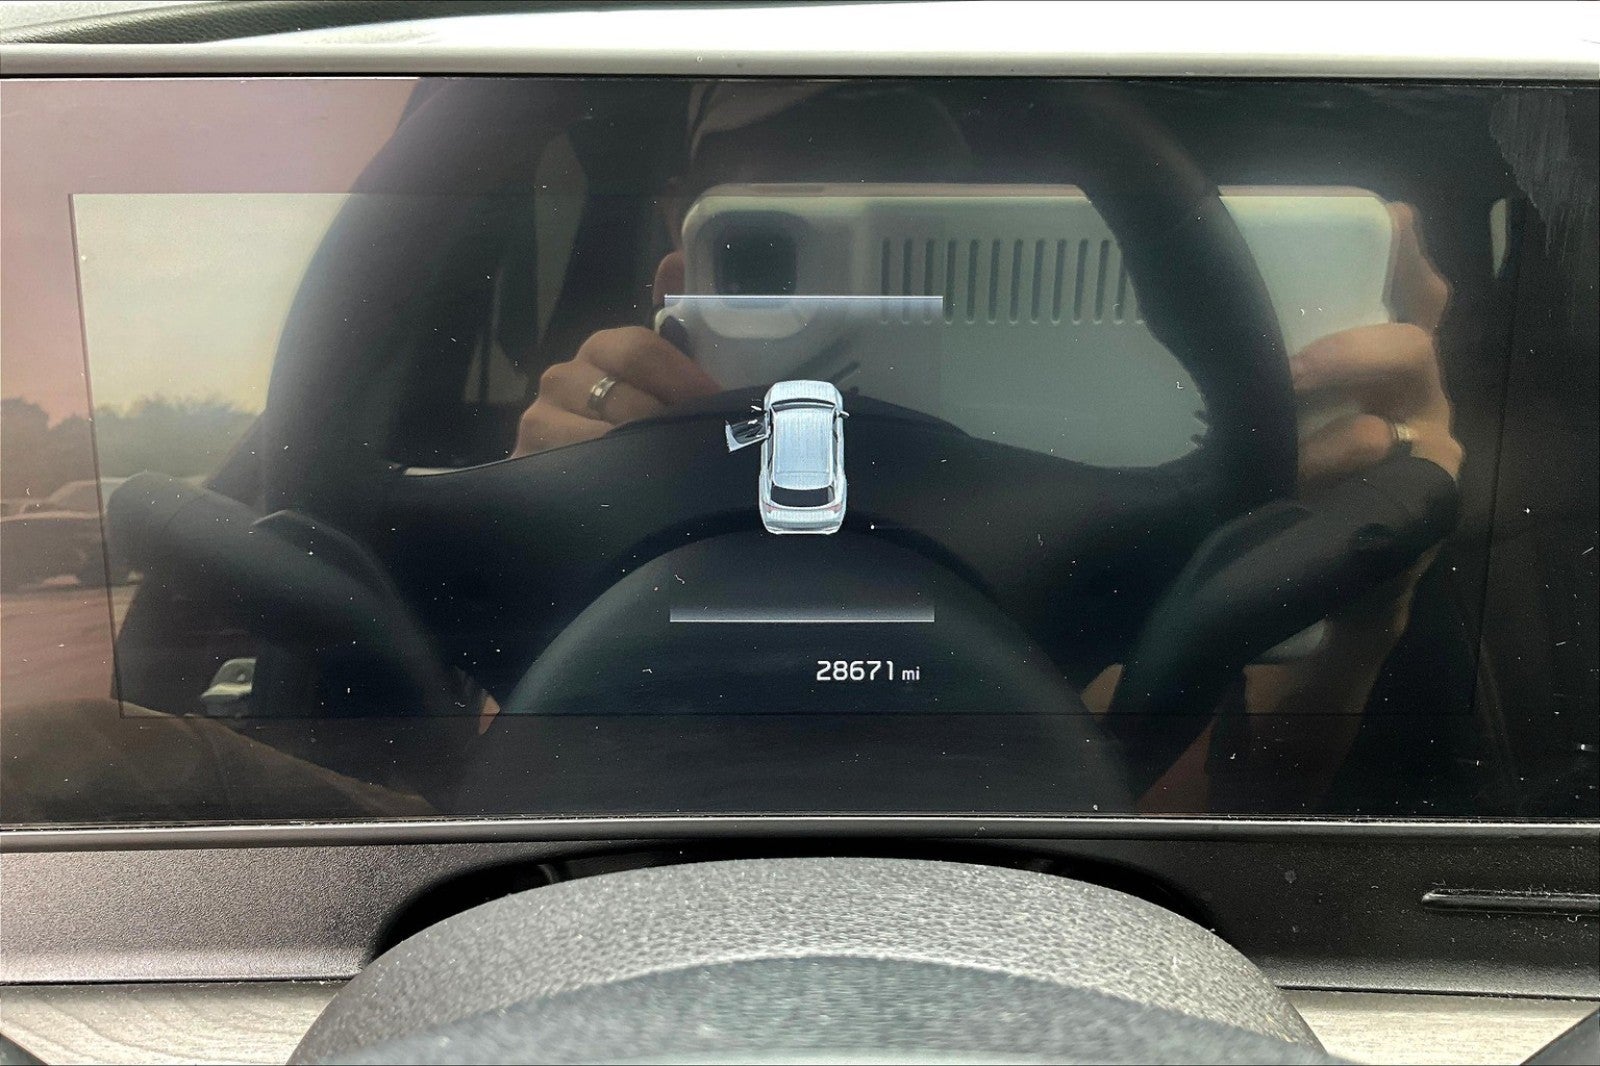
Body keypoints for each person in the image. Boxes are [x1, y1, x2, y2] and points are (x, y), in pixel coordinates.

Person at [513, 84, 1465, 812]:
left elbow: (1227, 815)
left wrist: (1359, 602)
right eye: (769, 207)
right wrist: (548, 539)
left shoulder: (1132, 462)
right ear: (677, 233)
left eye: (912, 173)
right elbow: (500, 813)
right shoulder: (633, 449)